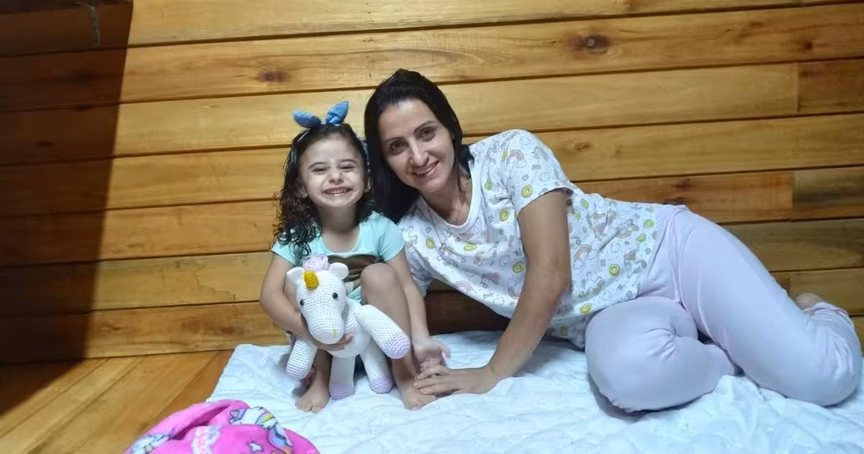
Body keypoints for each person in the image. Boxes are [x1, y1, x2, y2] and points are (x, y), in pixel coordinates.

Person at [362, 69, 862, 411]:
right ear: (385, 162)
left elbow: (551, 274)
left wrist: (492, 373)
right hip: (609, 315)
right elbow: (391, 298)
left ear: (451, 129)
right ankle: (723, 354)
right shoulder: (414, 236)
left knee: (822, 379)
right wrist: (336, 322)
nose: (418, 156)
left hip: (668, 253)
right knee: (627, 383)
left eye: (427, 133)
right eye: (397, 147)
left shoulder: (512, 153)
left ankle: (819, 312)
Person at [258, 101, 448, 412]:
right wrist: (313, 335)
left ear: (367, 180)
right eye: (320, 170)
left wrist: (421, 339)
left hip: (376, 338)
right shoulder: (297, 236)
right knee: (296, 283)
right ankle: (322, 378)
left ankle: (403, 374)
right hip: (324, 340)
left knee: (379, 274)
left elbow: (408, 288)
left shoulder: (381, 229)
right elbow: (269, 296)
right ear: (302, 187)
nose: (335, 177)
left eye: (347, 167)